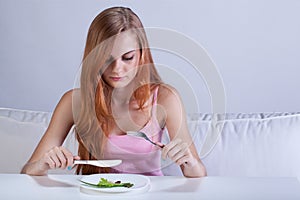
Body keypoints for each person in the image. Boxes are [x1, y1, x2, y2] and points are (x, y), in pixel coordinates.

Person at [21, 6, 207, 177]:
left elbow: (199, 174)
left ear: (142, 55)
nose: (117, 69)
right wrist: (43, 164)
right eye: (106, 59)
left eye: (127, 58)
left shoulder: (166, 99)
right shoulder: (74, 101)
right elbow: (27, 171)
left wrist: (188, 161)